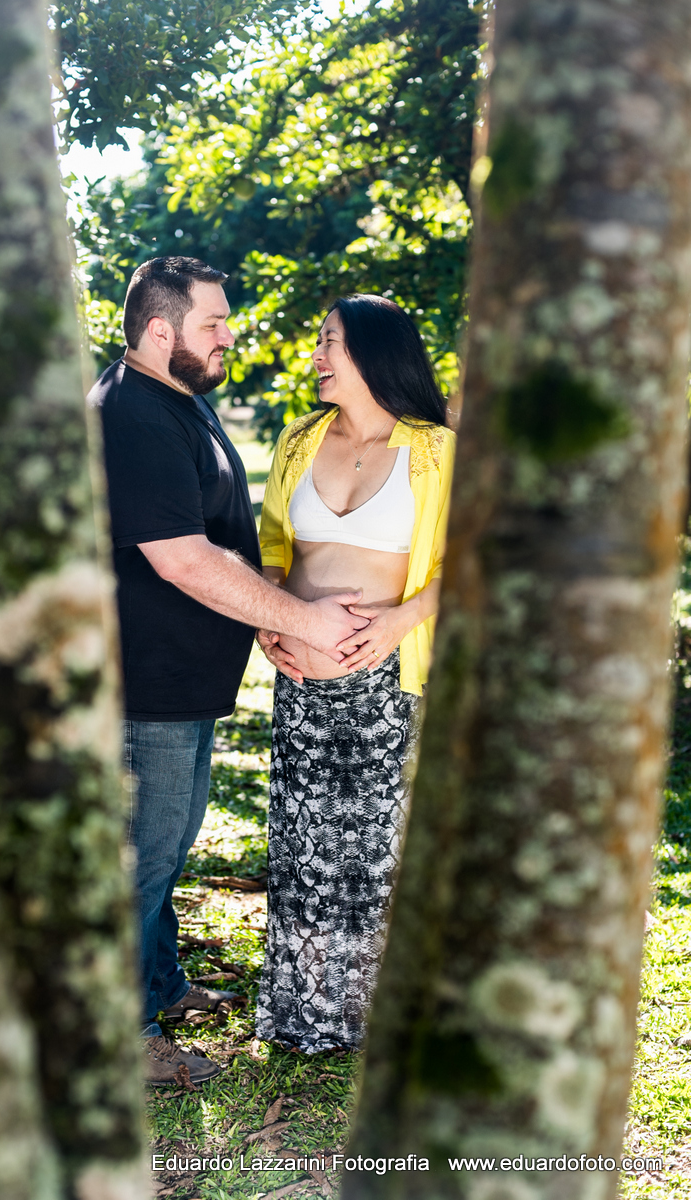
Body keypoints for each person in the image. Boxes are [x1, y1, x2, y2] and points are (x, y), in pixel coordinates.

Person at [88, 257, 369, 1084]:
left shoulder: (178, 399)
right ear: (158, 330)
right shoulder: (132, 415)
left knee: (164, 850)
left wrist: (270, 624)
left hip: (181, 682)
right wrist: (302, 620)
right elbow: (183, 560)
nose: (228, 336)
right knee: (142, 856)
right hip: (144, 685)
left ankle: (161, 984)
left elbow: (225, 539)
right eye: (213, 324)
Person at [255, 293, 455, 1053]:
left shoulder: (437, 450)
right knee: (306, 849)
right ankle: (309, 1015)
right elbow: (273, 547)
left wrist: (402, 621)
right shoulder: (298, 439)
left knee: (381, 853)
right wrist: (274, 616)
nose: (315, 355)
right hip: (301, 682)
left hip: (389, 682)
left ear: (371, 352)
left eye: (328, 341)